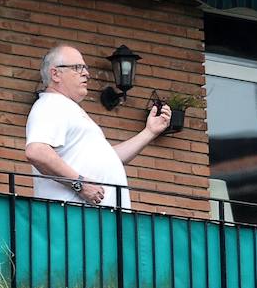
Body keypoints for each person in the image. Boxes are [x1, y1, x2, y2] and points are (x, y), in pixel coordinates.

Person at [24, 44, 171, 209]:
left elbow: (111, 158)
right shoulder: (51, 104)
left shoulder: (68, 109)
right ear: (56, 74)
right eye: (77, 68)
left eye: (85, 68)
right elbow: (36, 151)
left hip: (97, 221)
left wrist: (149, 132)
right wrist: (80, 184)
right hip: (74, 220)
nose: (86, 73)